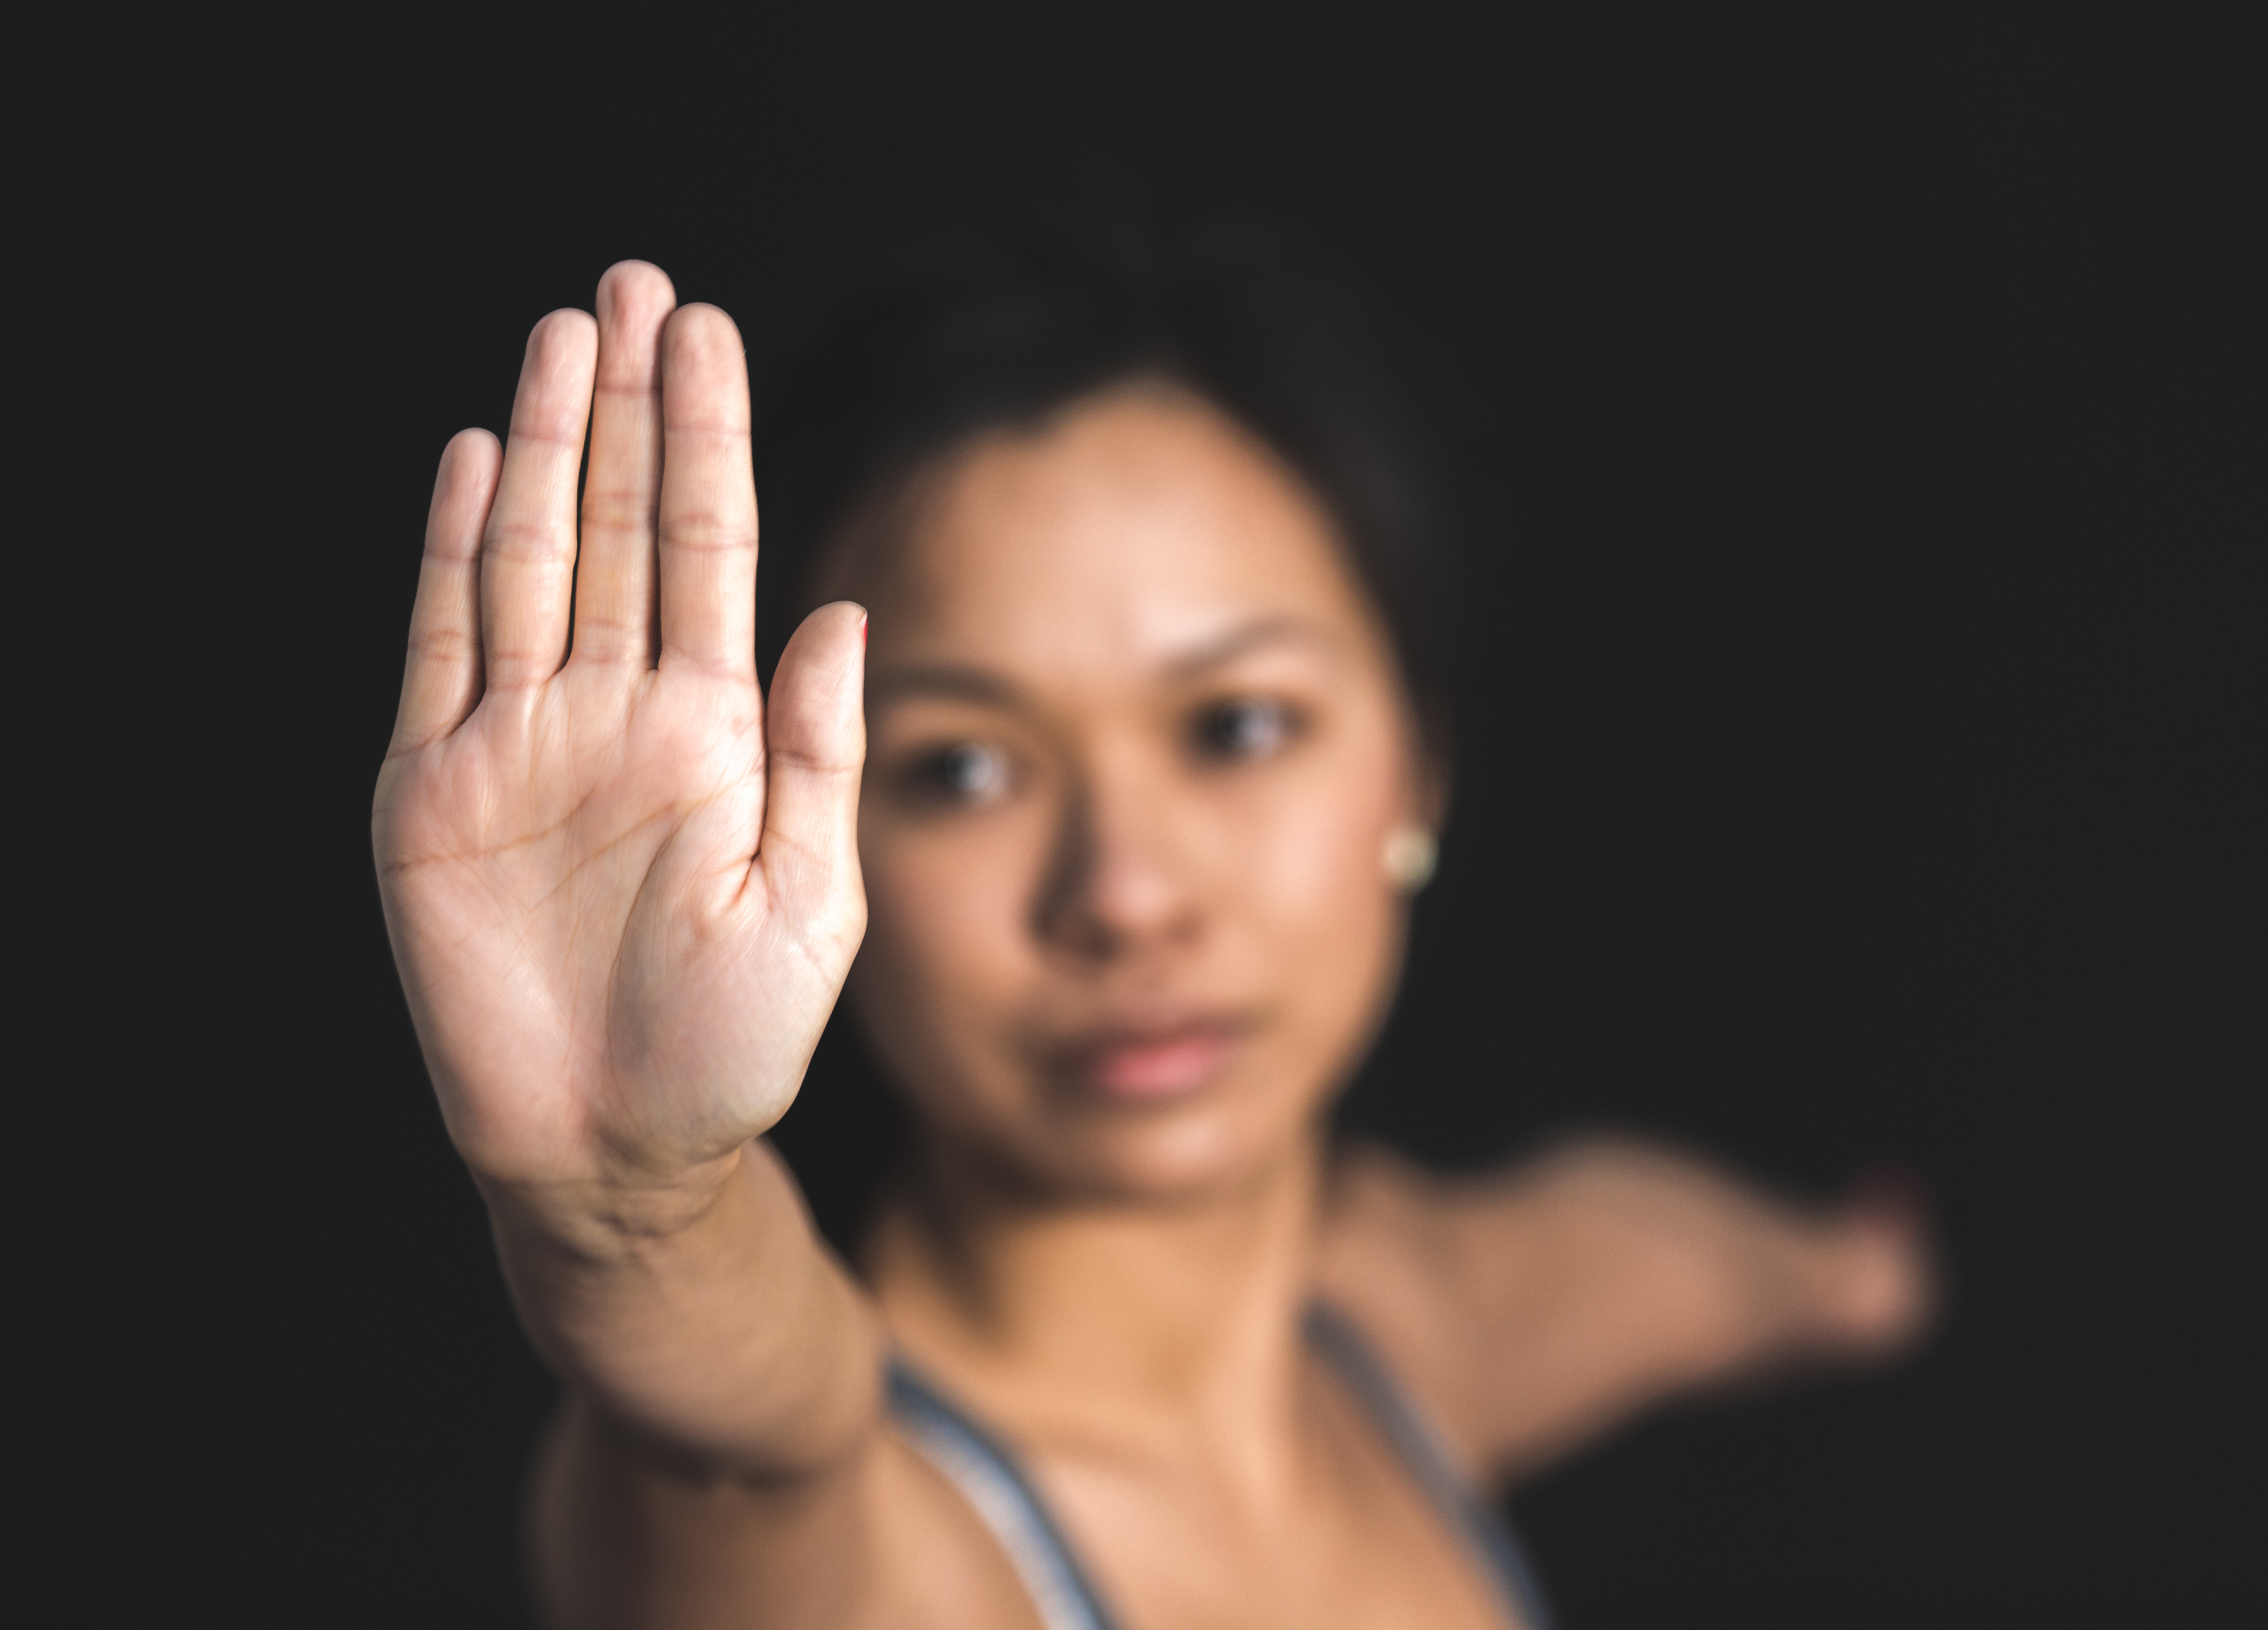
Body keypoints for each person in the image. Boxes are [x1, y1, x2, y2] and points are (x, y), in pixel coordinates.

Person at [371, 221, 1931, 1630]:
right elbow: (735, 1435)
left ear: (1421, 764)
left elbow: (1649, 1256)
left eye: (1238, 728)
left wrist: (1843, 1274)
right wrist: (633, 1212)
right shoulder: (863, 1546)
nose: (1125, 893)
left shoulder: (1400, 1325)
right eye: (962, 769)